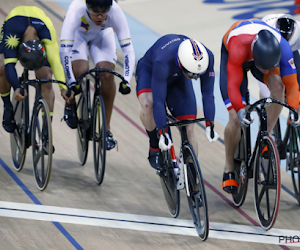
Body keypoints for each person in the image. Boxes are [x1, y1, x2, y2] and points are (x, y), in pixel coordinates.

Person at [220, 18, 300, 194]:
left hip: (261, 56)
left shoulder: (283, 47)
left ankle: (266, 136)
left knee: (278, 87)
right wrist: (240, 109)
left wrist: (294, 111)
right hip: (236, 56)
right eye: (263, 68)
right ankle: (228, 167)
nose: (265, 72)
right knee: (234, 117)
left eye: (268, 67)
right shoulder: (237, 45)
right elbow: (232, 85)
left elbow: (292, 85)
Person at [135, 34, 219, 171]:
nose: (196, 79)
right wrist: (162, 132)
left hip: (178, 76)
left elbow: (208, 95)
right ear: (181, 63)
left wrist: (210, 124)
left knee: (189, 126)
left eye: (198, 74)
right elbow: (158, 102)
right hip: (151, 71)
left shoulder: (207, 57)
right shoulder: (162, 60)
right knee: (149, 105)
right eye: (192, 75)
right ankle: (154, 144)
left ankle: (192, 176)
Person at [59, 0, 135, 150]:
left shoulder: (116, 11)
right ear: (87, 6)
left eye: (104, 11)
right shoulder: (76, 9)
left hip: (102, 35)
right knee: (80, 69)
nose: (100, 16)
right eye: (94, 11)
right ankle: (70, 102)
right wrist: (71, 81)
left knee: (107, 75)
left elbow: (128, 50)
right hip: (78, 35)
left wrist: (127, 80)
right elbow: (64, 51)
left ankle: (106, 130)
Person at [0, 6, 66, 138]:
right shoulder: (11, 35)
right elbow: (9, 66)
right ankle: (7, 106)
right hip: (14, 24)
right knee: (1, 66)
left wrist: (63, 87)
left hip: (39, 25)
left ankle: (47, 131)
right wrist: (17, 88)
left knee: (46, 79)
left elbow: (56, 62)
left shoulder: (47, 33)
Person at [258, 14, 300, 108]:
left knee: (297, 85)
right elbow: (261, 68)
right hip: (271, 49)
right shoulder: (265, 30)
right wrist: (267, 97)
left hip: (291, 50)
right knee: (271, 88)